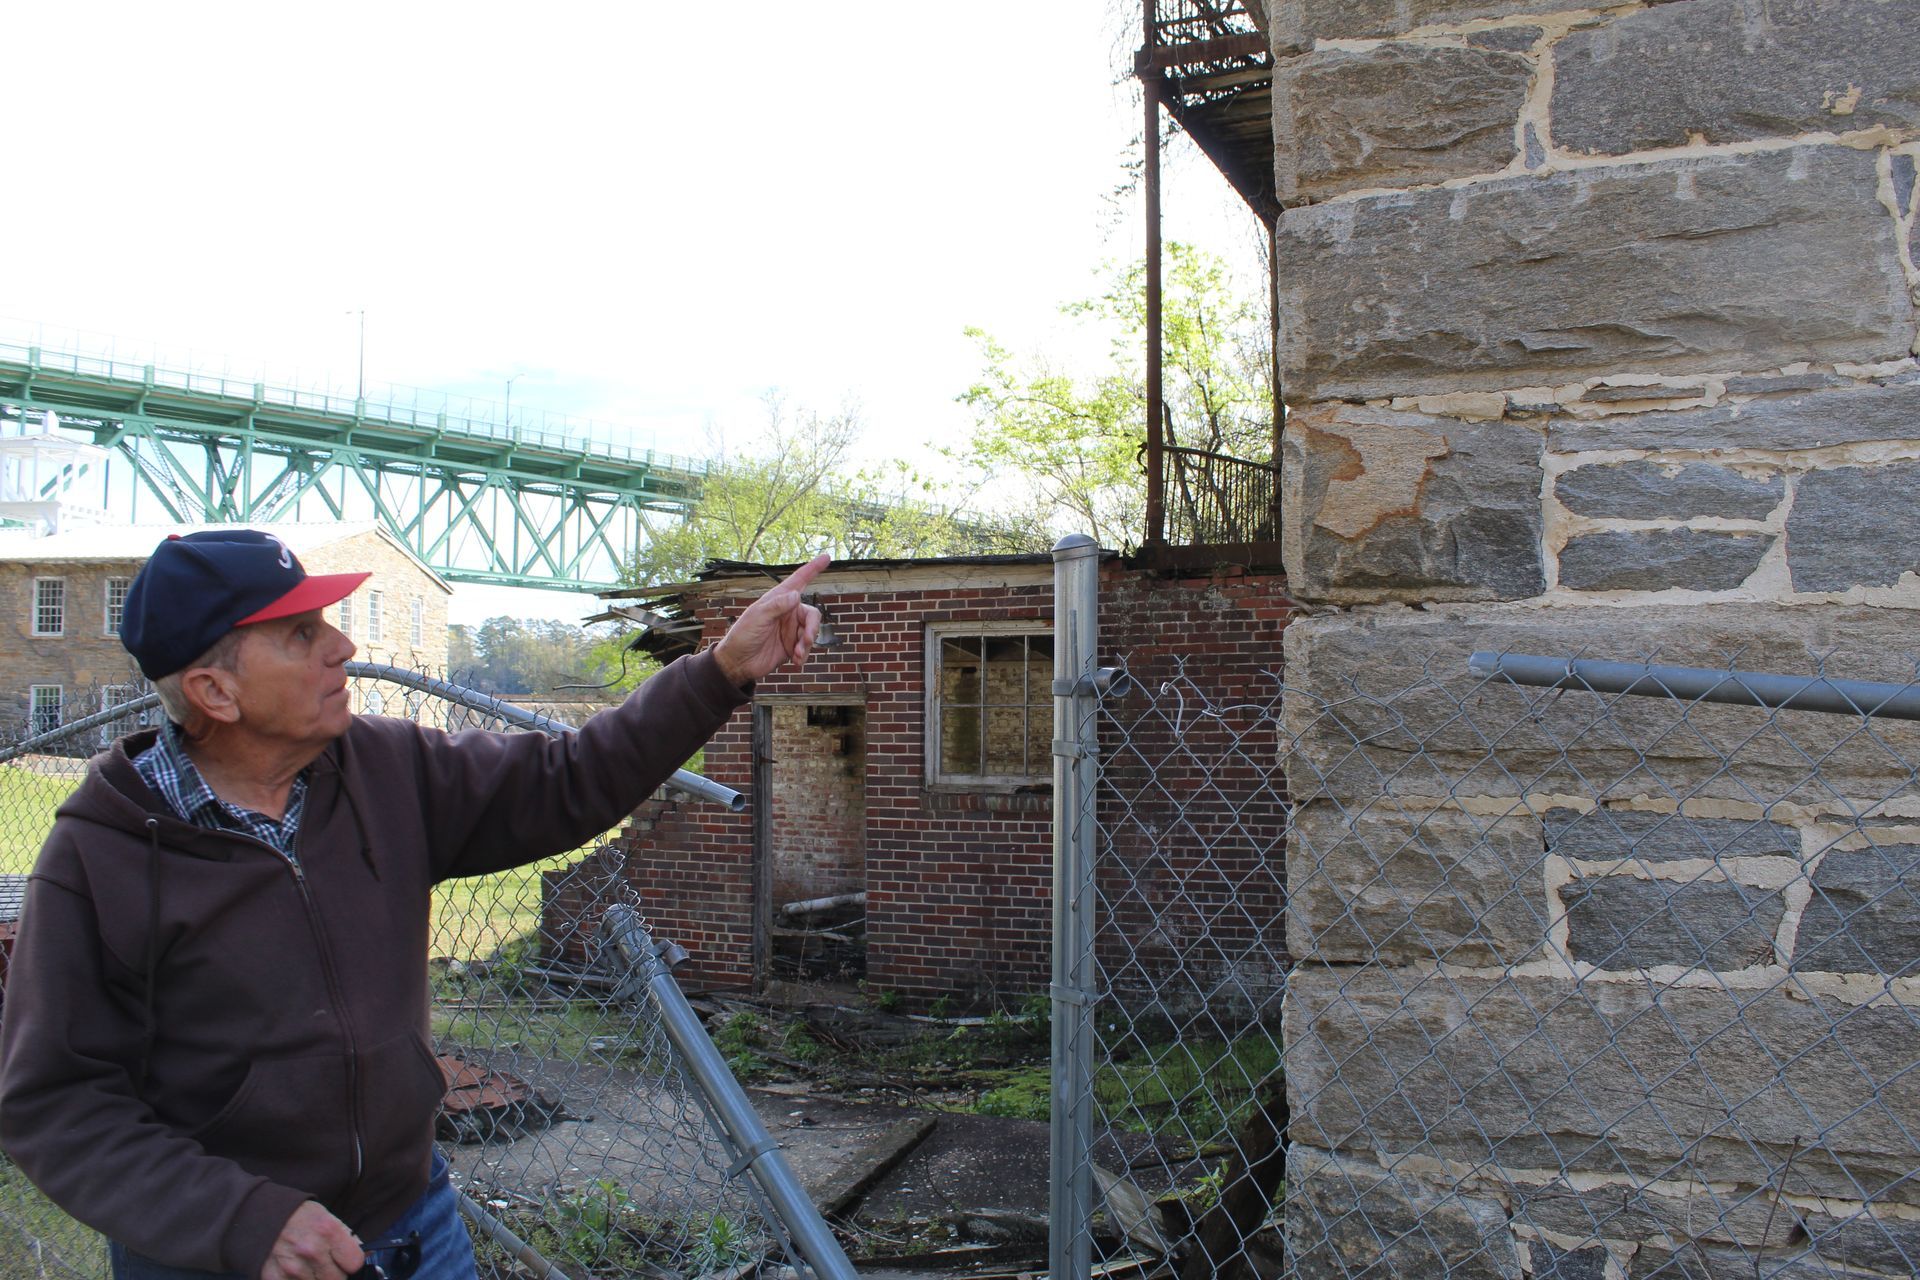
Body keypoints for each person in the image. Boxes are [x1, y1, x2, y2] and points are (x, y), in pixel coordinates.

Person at [0, 529, 827, 1280]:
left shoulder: (385, 769)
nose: (344, 646)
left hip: (413, 1219)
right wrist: (242, 1220)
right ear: (215, 692)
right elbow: (58, 1103)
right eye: (302, 635)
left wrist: (719, 671)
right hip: (226, 1257)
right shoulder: (100, 856)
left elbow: (568, 779)